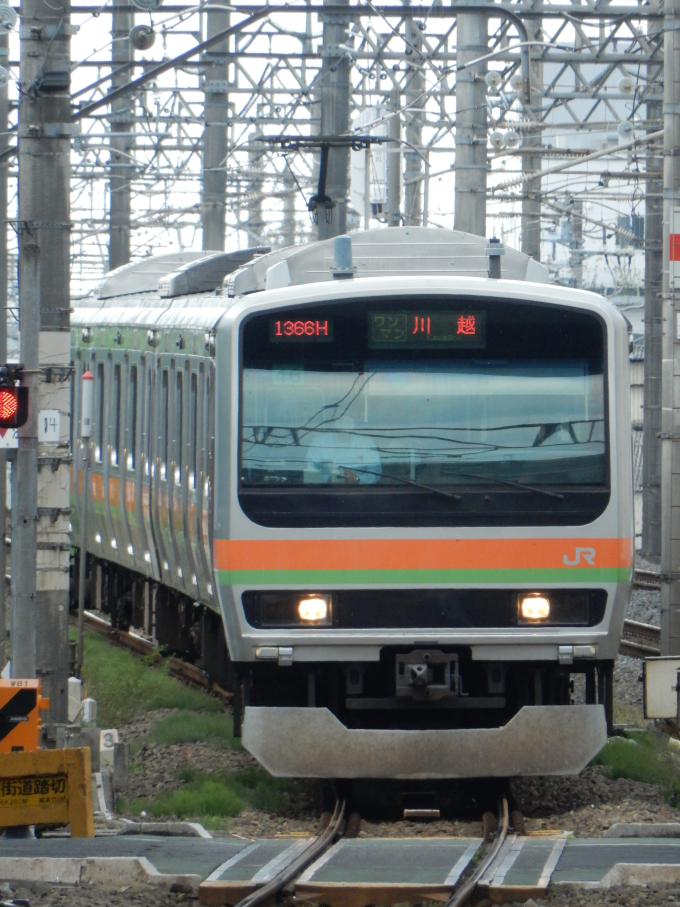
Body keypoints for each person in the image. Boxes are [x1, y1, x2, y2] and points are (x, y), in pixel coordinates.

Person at [304, 415, 382, 484]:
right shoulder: (319, 442)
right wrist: (327, 480)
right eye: (341, 420)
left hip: (359, 492)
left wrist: (357, 479)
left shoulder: (366, 442)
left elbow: (376, 473)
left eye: (348, 420)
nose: (344, 423)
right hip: (326, 492)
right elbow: (310, 472)